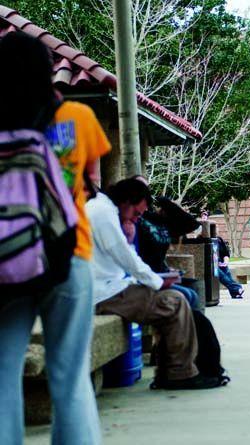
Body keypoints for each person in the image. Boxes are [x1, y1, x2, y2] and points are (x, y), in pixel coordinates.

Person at [0, 33, 107, 444]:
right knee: (70, 376)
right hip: (68, 254)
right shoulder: (77, 117)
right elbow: (90, 182)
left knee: (2, 373)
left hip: (8, 261)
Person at [86, 178, 220, 390]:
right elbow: (126, 259)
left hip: (111, 287)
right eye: (136, 213)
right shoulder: (103, 214)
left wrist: (157, 280)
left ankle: (171, 371)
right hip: (104, 293)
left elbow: (127, 257)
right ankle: (179, 373)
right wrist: (158, 282)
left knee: (176, 299)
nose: (137, 218)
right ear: (126, 202)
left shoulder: (105, 209)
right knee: (173, 302)